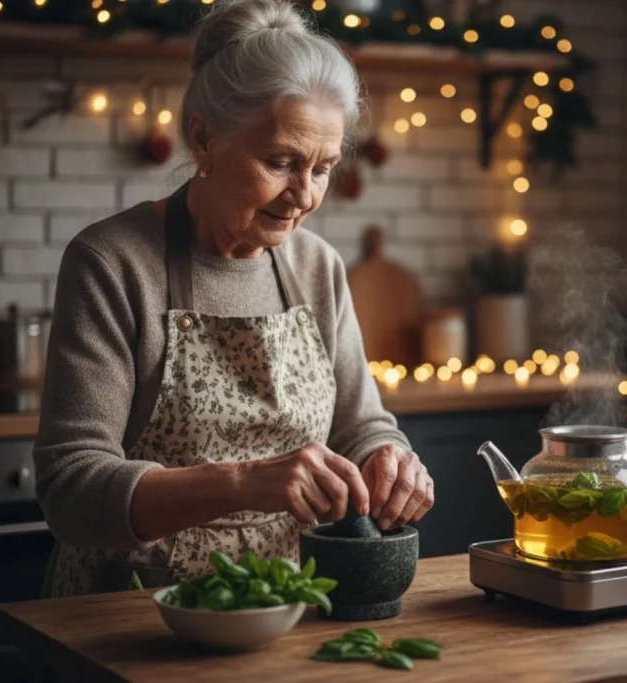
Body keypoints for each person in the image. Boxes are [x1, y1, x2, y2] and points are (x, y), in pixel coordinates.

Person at [34, 0, 433, 596]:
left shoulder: (317, 267)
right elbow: (71, 487)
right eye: (280, 162)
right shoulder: (112, 262)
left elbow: (362, 423)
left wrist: (388, 455)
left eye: (322, 168)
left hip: (287, 603)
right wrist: (244, 482)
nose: (303, 195)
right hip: (131, 614)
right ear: (204, 137)